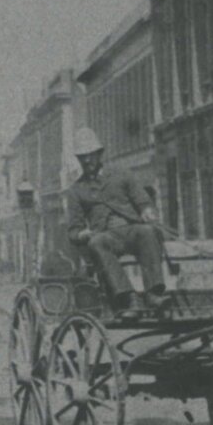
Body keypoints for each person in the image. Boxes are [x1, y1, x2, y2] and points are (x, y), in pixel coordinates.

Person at [64, 126, 169, 314]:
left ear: (99, 154)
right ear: (78, 159)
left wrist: (147, 211)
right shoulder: (76, 191)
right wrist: (82, 234)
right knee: (96, 243)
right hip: (105, 235)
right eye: (82, 157)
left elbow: (142, 200)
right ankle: (129, 298)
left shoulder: (122, 175)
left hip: (132, 229)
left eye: (91, 154)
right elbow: (73, 230)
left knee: (148, 231)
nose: (87, 160)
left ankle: (153, 294)